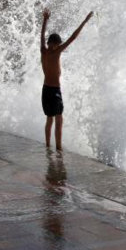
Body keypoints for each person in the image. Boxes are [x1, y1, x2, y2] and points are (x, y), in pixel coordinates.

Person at [40, 8, 93, 150]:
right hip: (54, 90)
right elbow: (73, 38)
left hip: (45, 90)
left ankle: (47, 145)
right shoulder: (55, 52)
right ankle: (58, 147)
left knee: (50, 118)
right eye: (57, 44)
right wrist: (85, 21)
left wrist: (45, 20)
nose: (56, 46)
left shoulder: (43, 51)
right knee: (58, 118)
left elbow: (41, 37)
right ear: (55, 43)